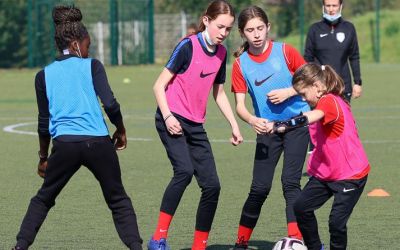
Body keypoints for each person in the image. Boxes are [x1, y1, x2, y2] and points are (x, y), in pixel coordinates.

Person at [12, 5, 142, 250]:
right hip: (99, 143)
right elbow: (111, 104)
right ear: (75, 45)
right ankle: (136, 246)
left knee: (43, 198)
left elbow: (43, 123)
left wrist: (43, 157)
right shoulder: (92, 66)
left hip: (65, 145)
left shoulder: (43, 75)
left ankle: (20, 246)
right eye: (87, 45)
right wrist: (121, 129)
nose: (88, 49)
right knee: (118, 200)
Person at [149, 1, 243, 250]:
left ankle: (199, 246)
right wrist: (168, 117)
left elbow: (219, 93)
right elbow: (159, 86)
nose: (223, 33)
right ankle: (158, 238)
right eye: (220, 26)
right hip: (171, 118)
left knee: (212, 186)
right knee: (184, 172)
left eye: (228, 29)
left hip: (196, 125)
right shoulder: (187, 46)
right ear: (206, 20)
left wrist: (234, 124)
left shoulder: (222, 54)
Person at [231, 6, 310, 249]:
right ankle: (241, 242)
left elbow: (312, 79)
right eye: (250, 30)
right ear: (243, 34)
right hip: (268, 130)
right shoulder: (240, 64)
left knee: (290, 182)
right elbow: (240, 106)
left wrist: (289, 91)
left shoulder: (285, 51)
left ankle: (295, 239)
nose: (256, 34)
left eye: (260, 28)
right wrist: (253, 120)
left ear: (268, 27)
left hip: (297, 125)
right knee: (259, 188)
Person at [269, 63, 370, 250]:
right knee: (300, 207)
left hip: (350, 176)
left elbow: (311, 116)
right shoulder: (321, 100)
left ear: (316, 87)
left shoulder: (329, 101)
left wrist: (281, 125)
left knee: (336, 223)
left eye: (303, 93)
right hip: (326, 173)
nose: (302, 98)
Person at [304, 0, 362, 102]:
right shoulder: (314, 29)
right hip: (320, 87)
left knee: (342, 117)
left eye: (334, 6)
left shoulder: (349, 28)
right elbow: (308, 58)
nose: (331, 9)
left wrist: (357, 83)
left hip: (343, 86)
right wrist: (310, 82)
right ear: (323, 7)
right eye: (328, 5)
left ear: (340, 6)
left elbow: (354, 56)